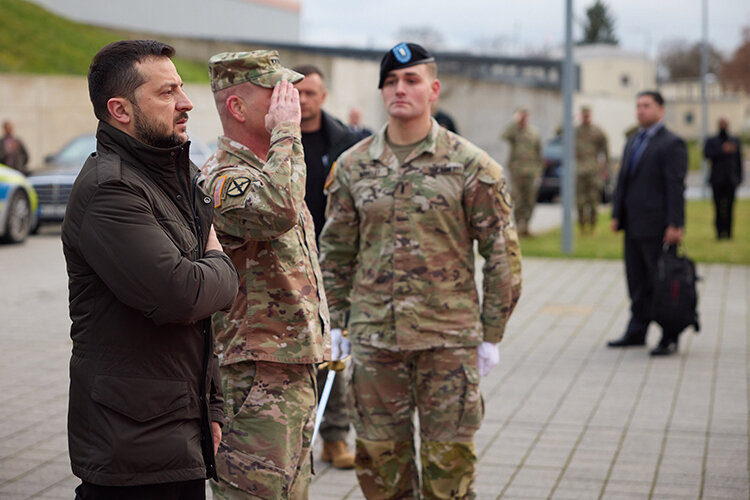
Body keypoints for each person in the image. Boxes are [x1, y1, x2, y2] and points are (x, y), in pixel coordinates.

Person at [319, 42, 522, 499]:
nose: (399, 89)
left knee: (448, 472)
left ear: (434, 89)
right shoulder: (353, 166)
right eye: (390, 82)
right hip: (374, 343)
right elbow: (335, 252)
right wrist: (336, 321)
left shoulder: (472, 166)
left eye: (411, 80)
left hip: (447, 342)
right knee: (380, 469)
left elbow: (502, 253)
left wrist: (492, 333)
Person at [61, 39, 240, 499]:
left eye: (180, 87)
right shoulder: (110, 191)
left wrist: (211, 408)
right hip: (130, 448)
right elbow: (181, 296)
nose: (186, 103)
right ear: (119, 110)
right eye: (166, 93)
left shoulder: (175, 177)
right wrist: (222, 263)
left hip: (176, 431)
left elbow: (201, 322)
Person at [200, 51, 331, 499]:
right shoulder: (222, 178)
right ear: (237, 107)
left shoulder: (274, 169)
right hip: (254, 376)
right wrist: (288, 132)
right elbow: (277, 210)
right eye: (274, 91)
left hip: (291, 369)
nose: (288, 100)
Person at [291, 63, 359, 470]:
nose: (303, 101)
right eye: (297, 93)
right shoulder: (275, 140)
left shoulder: (344, 143)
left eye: (310, 93)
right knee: (298, 358)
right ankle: (299, 440)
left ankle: (335, 438)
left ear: (323, 96)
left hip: (331, 263)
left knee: (333, 353)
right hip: (287, 265)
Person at [608, 90, 687, 356]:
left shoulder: (671, 143)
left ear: (661, 110)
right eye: (638, 105)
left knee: (661, 283)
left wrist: (676, 223)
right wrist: (616, 214)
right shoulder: (632, 141)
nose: (640, 110)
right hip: (633, 225)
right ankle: (637, 330)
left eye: (646, 105)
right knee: (636, 282)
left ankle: (669, 335)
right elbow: (623, 182)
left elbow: (675, 186)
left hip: (658, 227)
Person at [502, 107, 543, 236]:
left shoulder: (534, 132)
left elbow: (539, 153)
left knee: (530, 200)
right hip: (517, 172)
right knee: (518, 200)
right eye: (521, 116)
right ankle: (519, 225)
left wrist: (539, 170)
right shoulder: (515, 132)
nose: (524, 118)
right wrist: (515, 122)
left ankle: (526, 225)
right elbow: (504, 136)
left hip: (531, 171)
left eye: (525, 116)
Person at [704, 117, 743, 240]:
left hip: (731, 179)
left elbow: (739, 160)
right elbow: (706, 154)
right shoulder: (712, 141)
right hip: (717, 180)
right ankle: (719, 232)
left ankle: (729, 232)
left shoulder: (734, 140)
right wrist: (722, 150)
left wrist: (740, 177)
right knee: (718, 207)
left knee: (730, 208)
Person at [575, 105, 609, 235]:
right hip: (579, 171)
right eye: (583, 115)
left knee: (593, 200)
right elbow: (561, 132)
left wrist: (605, 169)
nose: (586, 117)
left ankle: (593, 227)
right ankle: (582, 227)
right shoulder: (576, 131)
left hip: (594, 171)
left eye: (587, 115)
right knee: (580, 201)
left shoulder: (597, 131)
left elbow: (605, 151)